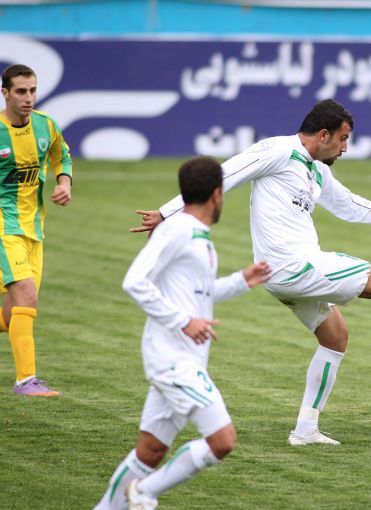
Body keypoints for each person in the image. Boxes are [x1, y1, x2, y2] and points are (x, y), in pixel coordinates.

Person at [132, 99, 371, 446]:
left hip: (281, 275)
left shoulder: (317, 169)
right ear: (323, 134)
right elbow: (224, 174)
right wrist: (167, 213)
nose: (345, 148)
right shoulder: (277, 150)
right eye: (343, 139)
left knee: (335, 337)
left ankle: (305, 430)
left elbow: (348, 205)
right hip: (294, 265)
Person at [94, 157, 270, 510]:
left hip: (185, 358)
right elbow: (135, 282)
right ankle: (144, 492)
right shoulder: (177, 231)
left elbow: (198, 294)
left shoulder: (197, 235)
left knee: (151, 450)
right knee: (222, 440)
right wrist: (183, 321)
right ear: (218, 194)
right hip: (172, 359)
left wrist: (241, 281)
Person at [0, 64, 72, 396]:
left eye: (33, 90)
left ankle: (26, 380)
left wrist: (64, 182)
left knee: (10, 316)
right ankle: (26, 380)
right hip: (0, 228)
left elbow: (61, 155)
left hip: (34, 232)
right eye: (21, 91)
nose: (29, 98)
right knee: (28, 297)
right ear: (5, 93)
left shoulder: (46, 125)